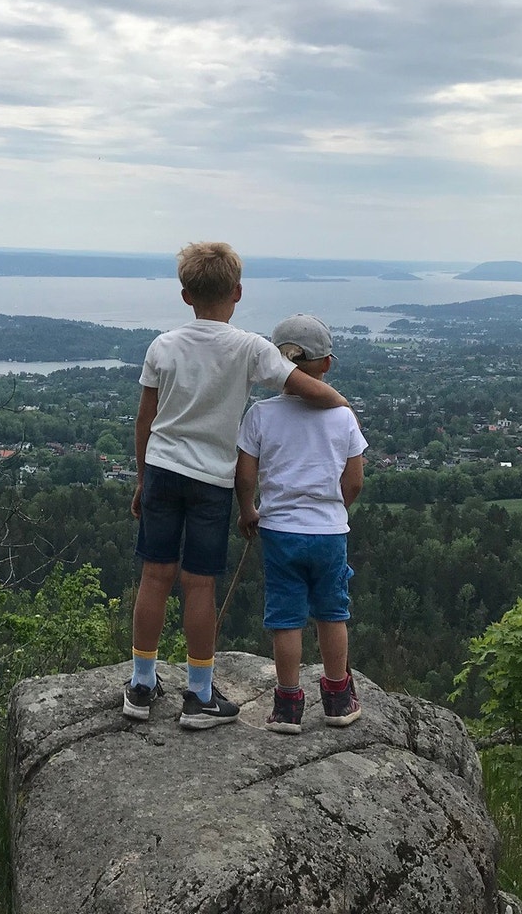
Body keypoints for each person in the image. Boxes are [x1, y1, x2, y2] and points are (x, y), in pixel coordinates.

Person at [125, 244, 351, 730]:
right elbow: (303, 385)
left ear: (185, 295)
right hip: (210, 481)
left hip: (163, 469)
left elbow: (145, 420)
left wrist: (143, 478)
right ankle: (200, 694)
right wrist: (341, 404)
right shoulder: (249, 347)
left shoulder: (162, 346)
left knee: (155, 577)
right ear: (238, 293)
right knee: (199, 583)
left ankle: (141, 686)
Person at [236, 313, 367, 734]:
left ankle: (288, 706)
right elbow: (355, 480)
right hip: (329, 531)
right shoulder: (343, 416)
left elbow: (245, 475)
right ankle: (338, 697)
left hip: (279, 531)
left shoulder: (260, 414)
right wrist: (335, 509)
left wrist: (248, 510)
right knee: (332, 612)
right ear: (326, 364)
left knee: (285, 616)